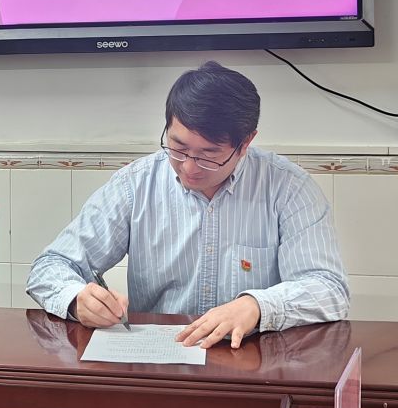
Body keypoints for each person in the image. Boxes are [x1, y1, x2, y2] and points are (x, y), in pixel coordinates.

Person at [26, 61, 348, 348]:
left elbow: (329, 289)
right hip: (158, 361)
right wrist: (76, 299)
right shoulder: (136, 185)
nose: (189, 167)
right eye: (178, 148)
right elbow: (50, 266)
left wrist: (258, 306)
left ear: (246, 142)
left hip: (253, 365)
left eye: (209, 154)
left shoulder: (288, 188)